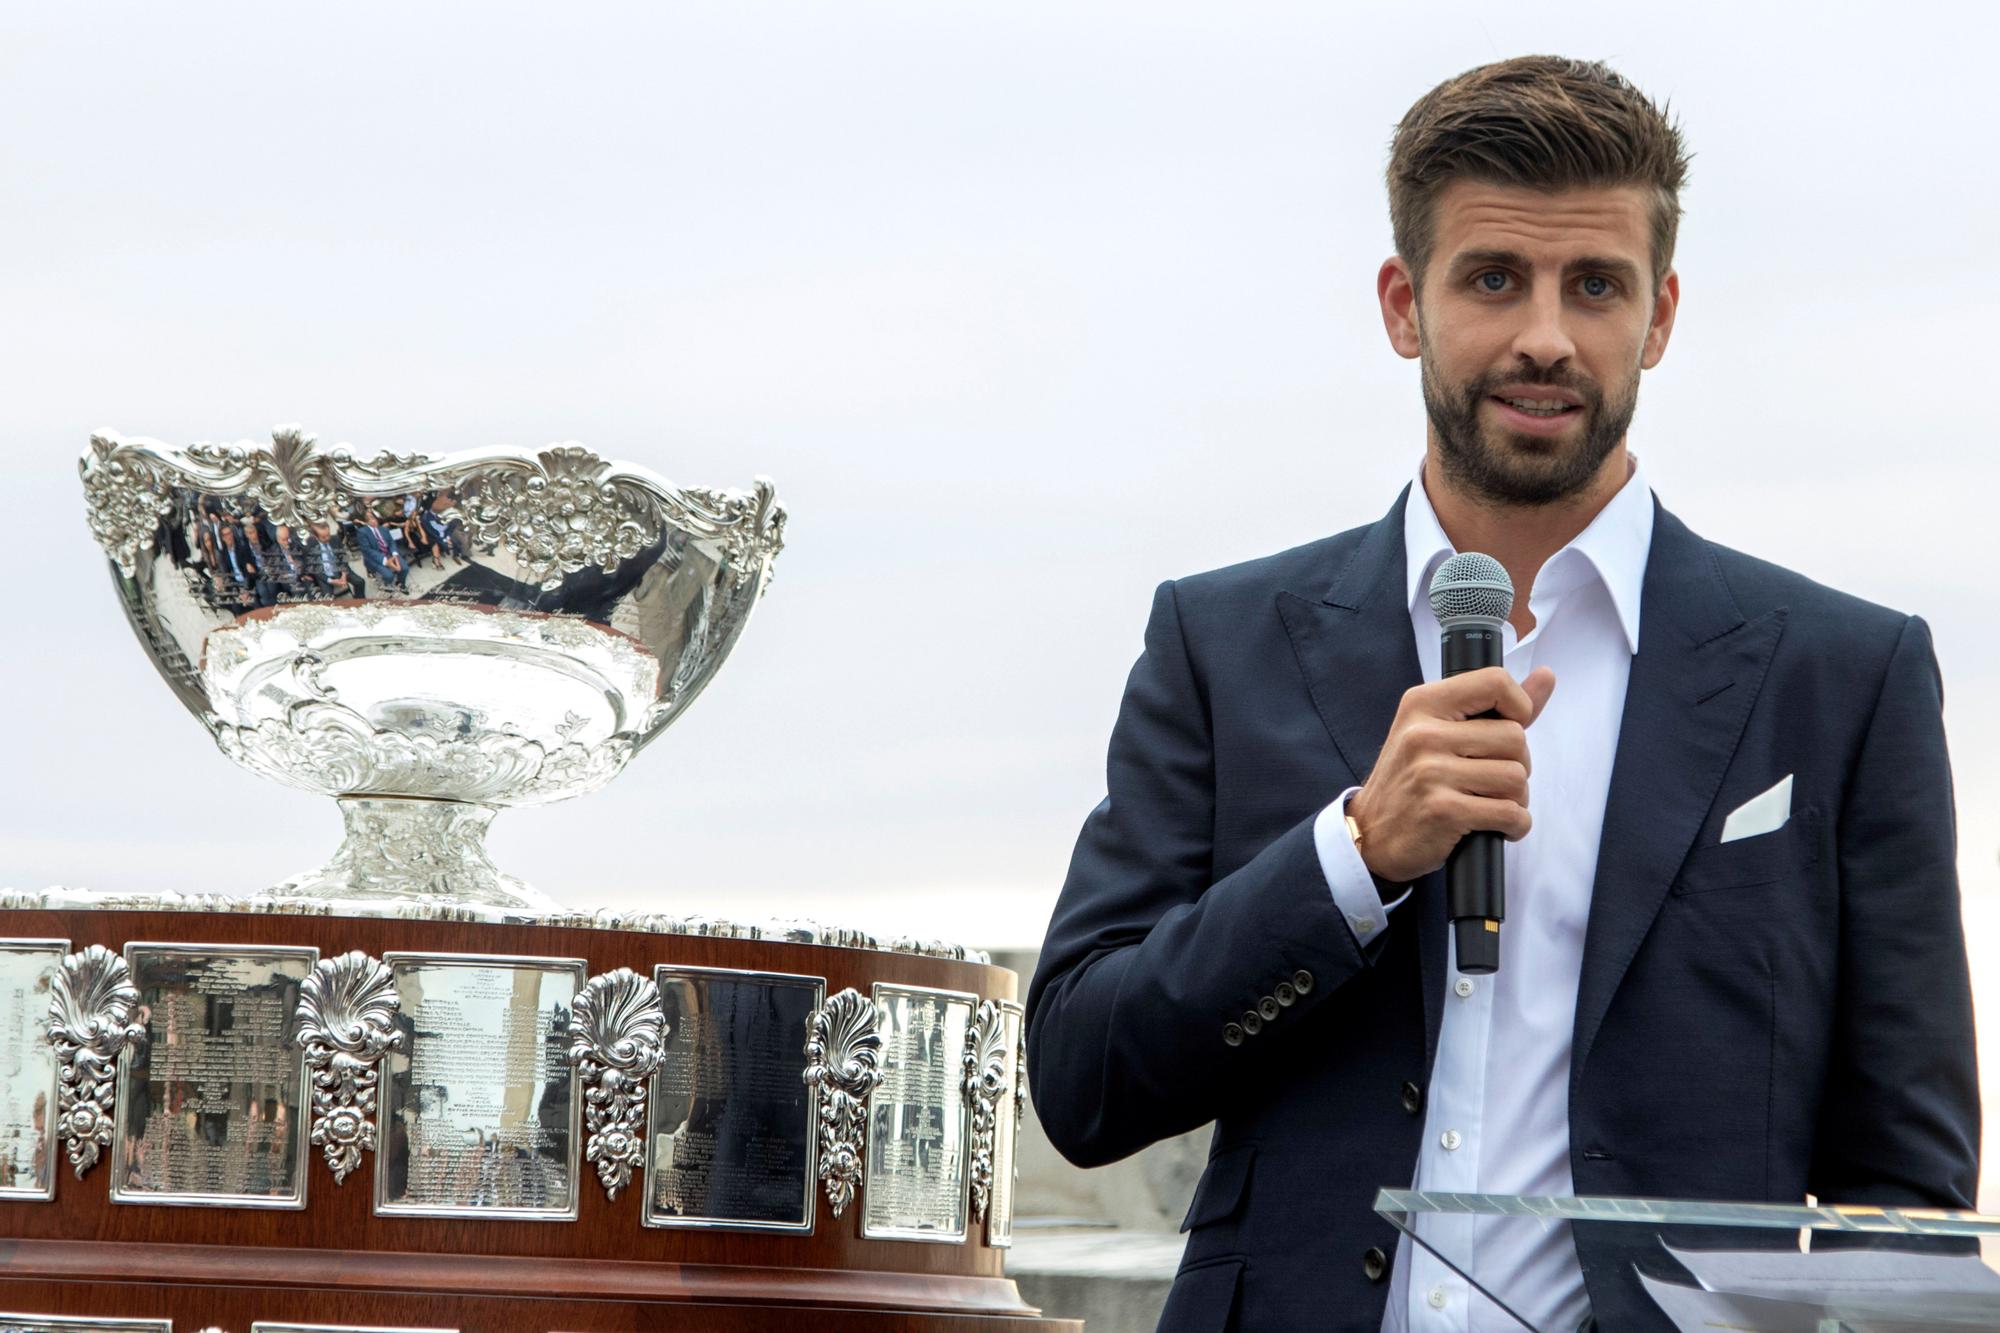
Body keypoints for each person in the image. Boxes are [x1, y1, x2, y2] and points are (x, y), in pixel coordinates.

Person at [1025, 56, 1978, 1333]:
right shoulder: (1219, 641)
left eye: (1594, 285)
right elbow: (1084, 1078)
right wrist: (1350, 858)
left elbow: (1903, 1204)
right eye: (1492, 278)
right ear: (1401, 304)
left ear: (1660, 315)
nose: (1545, 334)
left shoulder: (1841, 677)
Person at [304, 520, 364, 600]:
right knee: (328, 598)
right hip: (325, 576)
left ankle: (359, 601)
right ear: (315, 537)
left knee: (360, 582)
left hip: (340, 570)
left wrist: (344, 574)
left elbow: (343, 557)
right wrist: (331, 581)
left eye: (328, 535)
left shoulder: (335, 539)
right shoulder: (309, 546)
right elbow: (314, 570)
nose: (327, 538)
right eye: (323, 537)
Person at [354, 507, 407, 591]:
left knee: (405, 568)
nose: (373, 521)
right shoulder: (362, 532)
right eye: (369, 519)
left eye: (374, 518)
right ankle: (387, 587)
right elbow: (367, 550)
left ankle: (401, 584)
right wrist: (386, 561)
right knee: (388, 575)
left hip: (389, 553)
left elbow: (391, 542)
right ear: (366, 521)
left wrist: (394, 554)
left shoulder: (384, 529)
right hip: (375, 557)